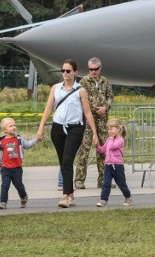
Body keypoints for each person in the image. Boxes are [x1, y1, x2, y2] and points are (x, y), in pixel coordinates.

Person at [37, 59, 98, 208]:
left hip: (75, 129)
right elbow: (48, 108)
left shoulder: (80, 90)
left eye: (68, 71)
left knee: (67, 160)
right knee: (64, 163)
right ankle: (71, 195)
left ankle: (64, 196)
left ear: (75, 72)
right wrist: (40, 128)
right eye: (63, 71)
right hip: (58, 128)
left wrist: (94, 133)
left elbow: (87, 112)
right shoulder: (55, 88)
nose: (65, 73)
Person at [74, 57, 113, 190]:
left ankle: (103, 180)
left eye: (96, 69)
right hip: (87, 121)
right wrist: (94, 109)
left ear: (100, 68)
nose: (93, 72)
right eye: (91, 69)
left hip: (102, 122)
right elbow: (79, 99)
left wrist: (105, 107)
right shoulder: (84, 82)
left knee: (103, 150)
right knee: (84, 151)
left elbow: (110, 97)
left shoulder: (105, 81)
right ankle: (79, 179)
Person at [0, 117, 38, 209]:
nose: (14, 127)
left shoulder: (19, 139)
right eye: (11, 126)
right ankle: (3, 202)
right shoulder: (1, 142)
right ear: (4, 130)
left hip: (17, 168)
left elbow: (27, 145)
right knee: (5, 185)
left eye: (14, 125)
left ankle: (23, 197)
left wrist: (36, 139)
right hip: (5, 168)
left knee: (19, 185)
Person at [95, 118, 132, 207]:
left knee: (121, 184)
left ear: (118, 129)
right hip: (108, 165)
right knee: (106, 183)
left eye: (111, 129)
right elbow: (103, 149)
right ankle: (104, 200)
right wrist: (97, 146)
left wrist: (111, 138)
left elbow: (111, 147)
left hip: (118, 166)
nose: (109, 131)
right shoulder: (109, 140)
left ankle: (128, 197)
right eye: (108, 129)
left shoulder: (120, 140)